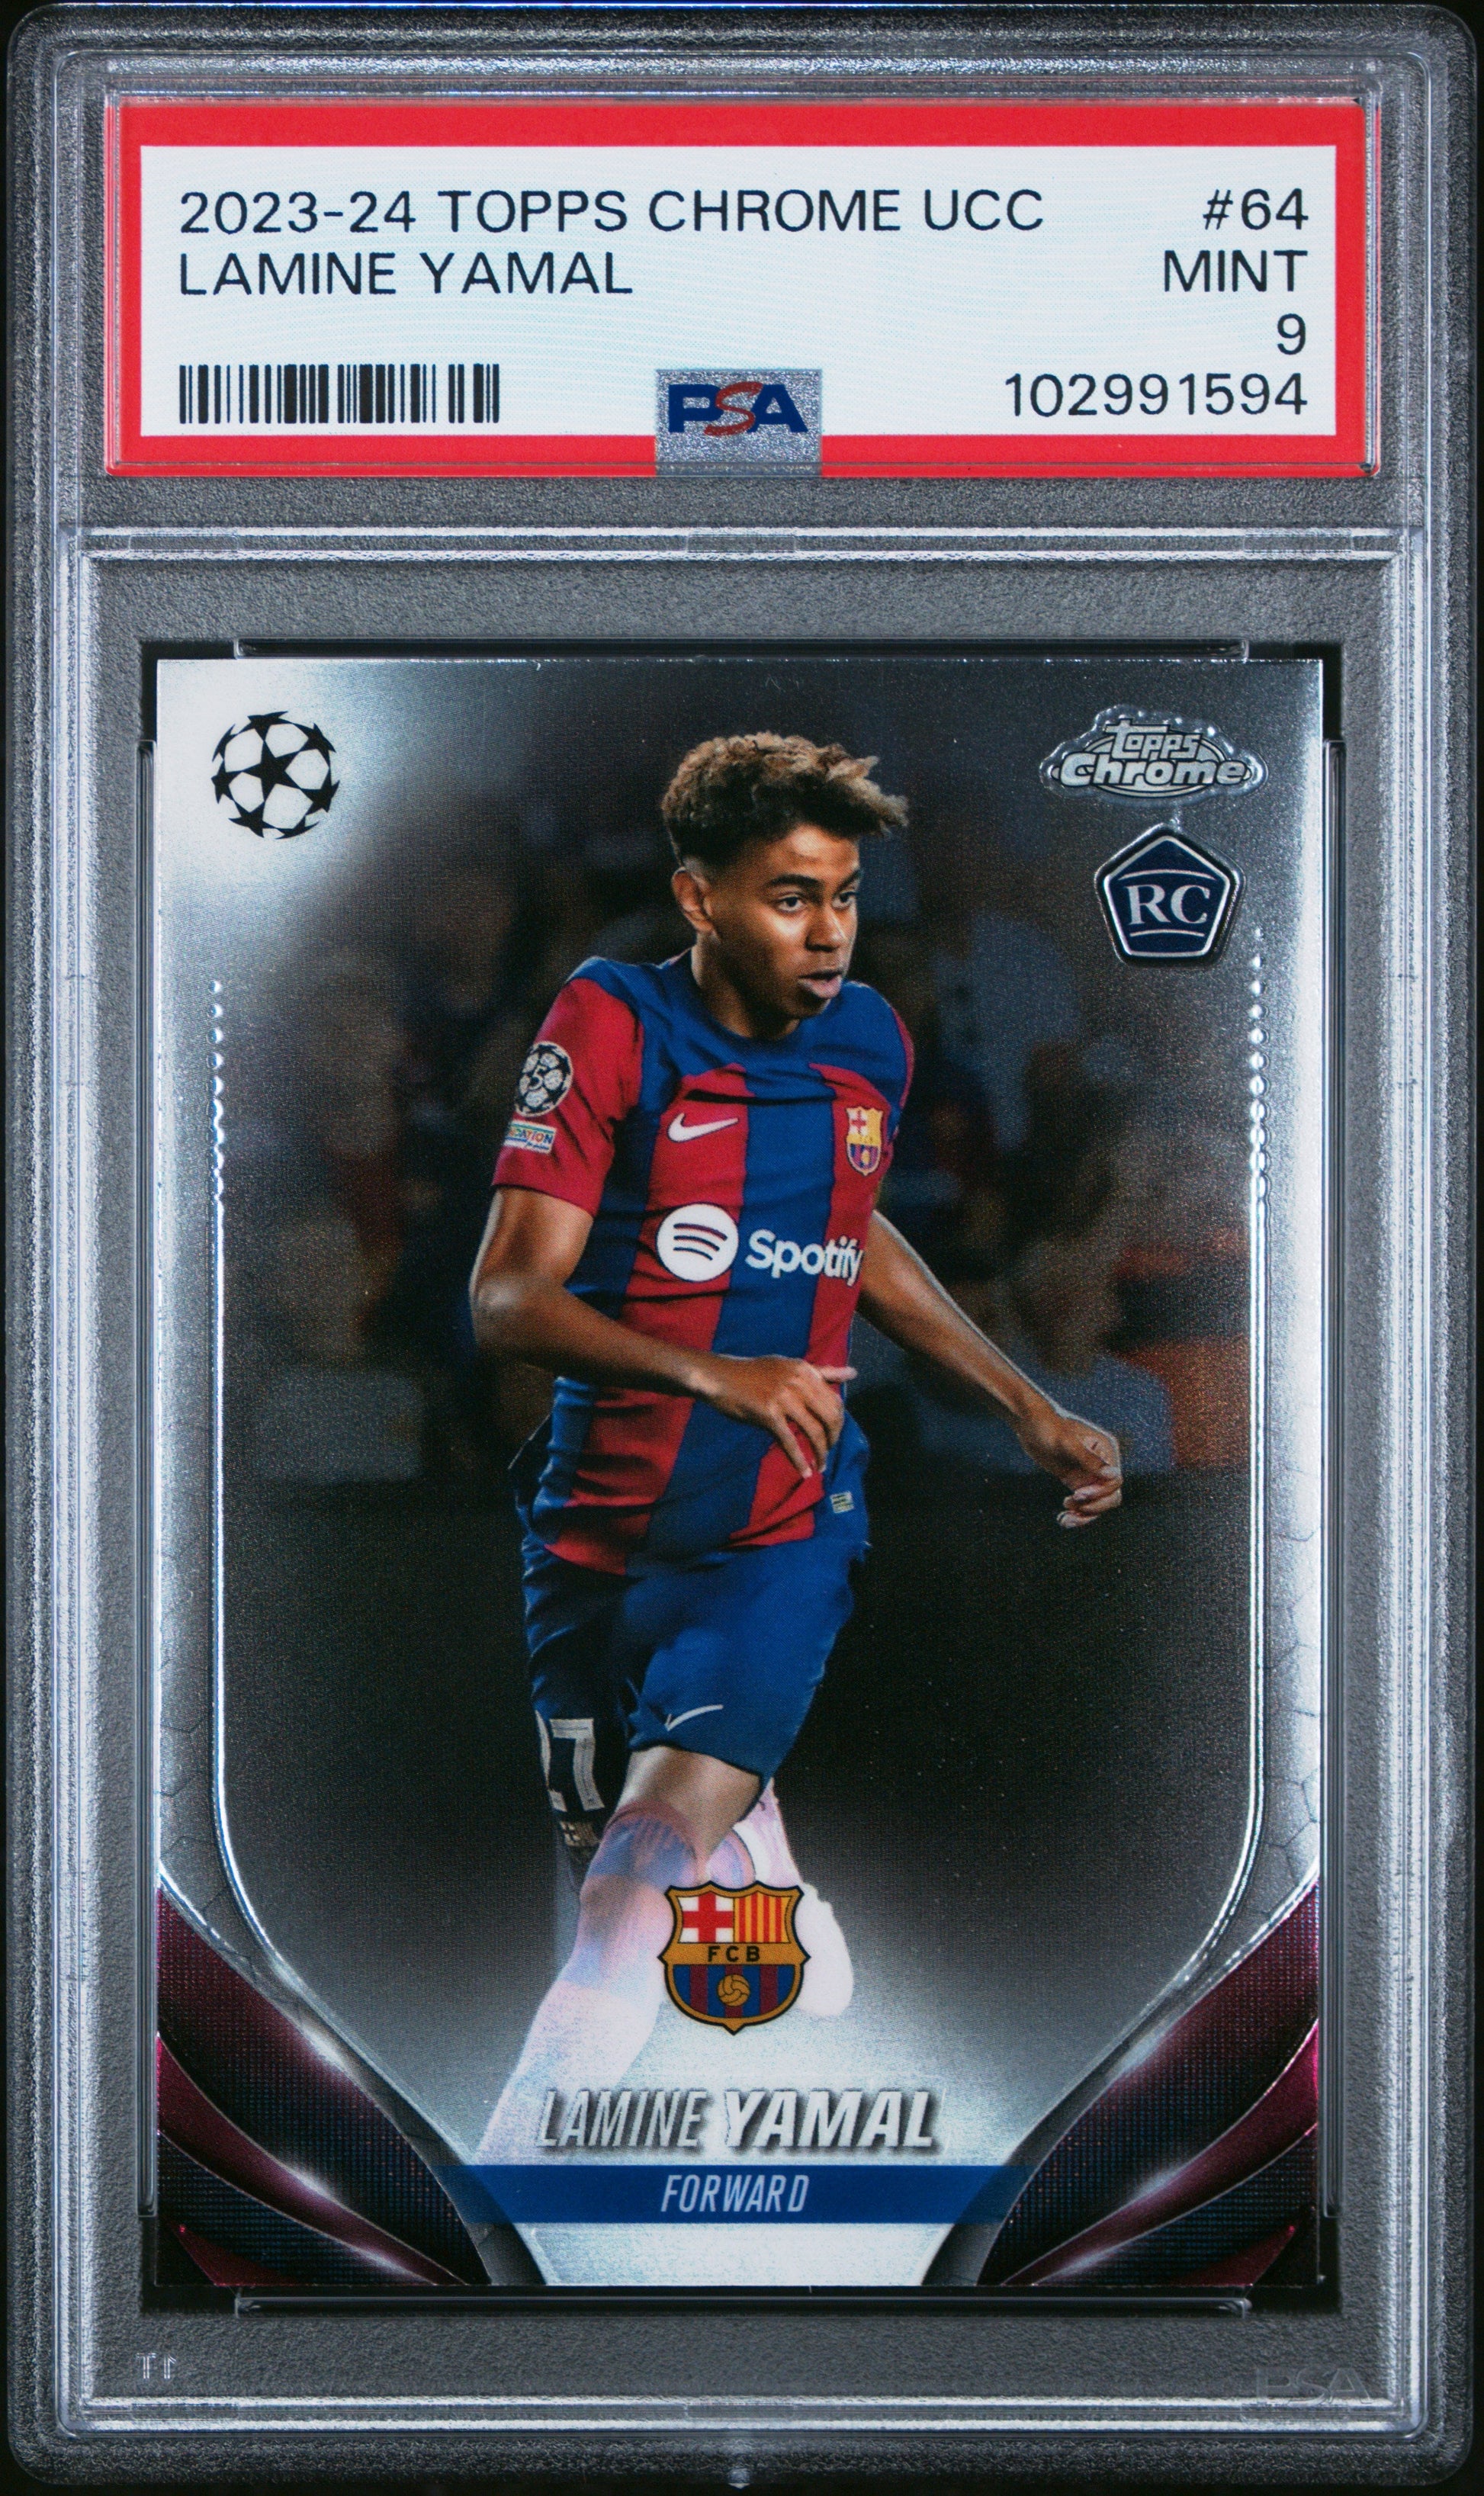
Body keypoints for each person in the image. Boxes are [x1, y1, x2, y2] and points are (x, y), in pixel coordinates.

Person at [468, 734, 1122, 2160]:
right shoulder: (609, 1021)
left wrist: (1023, 1400)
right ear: (698, 898)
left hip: (776, 1529)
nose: (828, 932)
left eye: (843, 895)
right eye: (788, 897)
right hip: (592, 1533)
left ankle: (494, 2200)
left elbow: (855, 1229)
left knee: (625, 1896)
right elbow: (505, 1299)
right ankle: (762, 1857)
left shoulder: (870, 1037)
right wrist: (712, 1369)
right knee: (635, 1880)